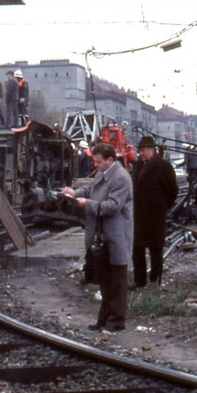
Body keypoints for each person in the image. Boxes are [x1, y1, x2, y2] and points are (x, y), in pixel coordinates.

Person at [62, 142, 133, 333]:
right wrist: (74, 193)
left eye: (99, 161)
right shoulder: (105, 173)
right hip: (104, 236)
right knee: (104, 278)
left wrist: (87, 204)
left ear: (110, 160)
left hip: (116, 235)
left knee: (117, 280)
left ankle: (117, 320)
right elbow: (91, 189)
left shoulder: (121, 178)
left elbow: (112, 206)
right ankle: (104, 318)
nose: (96, 165)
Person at [129, 136, 178, 287]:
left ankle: (155, 280)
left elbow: (172, 191)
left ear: (151, 150)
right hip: (138, 214)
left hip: (155, 214)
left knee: (155, 248)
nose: (140, 154)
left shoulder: (163, 166)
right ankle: (139, 281)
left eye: (142, 150)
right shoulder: (137, 166)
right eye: (140, 150)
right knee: (137, 248)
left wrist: (161, 206)